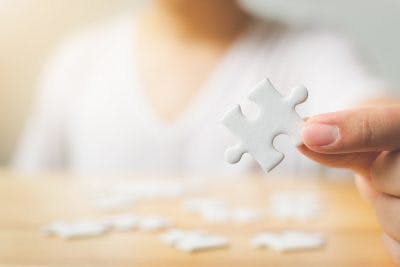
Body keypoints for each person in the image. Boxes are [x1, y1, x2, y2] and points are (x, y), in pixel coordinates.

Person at [12, 0, 400, 262]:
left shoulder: (316, 54)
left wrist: (387, 154)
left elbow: (371, 111)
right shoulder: (78, 61)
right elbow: (21, 202)